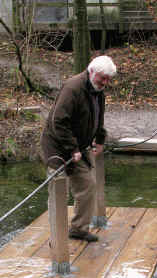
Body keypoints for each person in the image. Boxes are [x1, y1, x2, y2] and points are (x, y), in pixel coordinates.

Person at [40, 55, 117, 243]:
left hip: (78, 148)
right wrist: (72, 148)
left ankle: (78, 229)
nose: (105, 82)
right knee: (59, 190)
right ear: (91, 72)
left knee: (87, 186)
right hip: (57, 146)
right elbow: (58, 121)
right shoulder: (73, 88)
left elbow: (98, 118)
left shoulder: (98, 91)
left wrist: (100, 139)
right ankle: (57, 237)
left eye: (108, 79)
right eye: (103, 78)